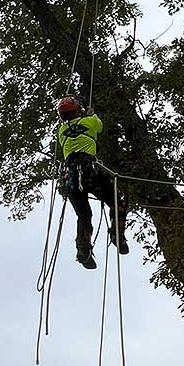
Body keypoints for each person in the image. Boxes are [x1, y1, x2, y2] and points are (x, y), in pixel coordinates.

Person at [56, 95, 129, 269]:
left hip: (70, 176)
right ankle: (117, 234)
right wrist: (91, 113)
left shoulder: (61, 132)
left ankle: (83, 250)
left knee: (84, 214)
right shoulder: (90, 122)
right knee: (117, 202)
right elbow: (99, 126)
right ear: (77, 110)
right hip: (89, 170)